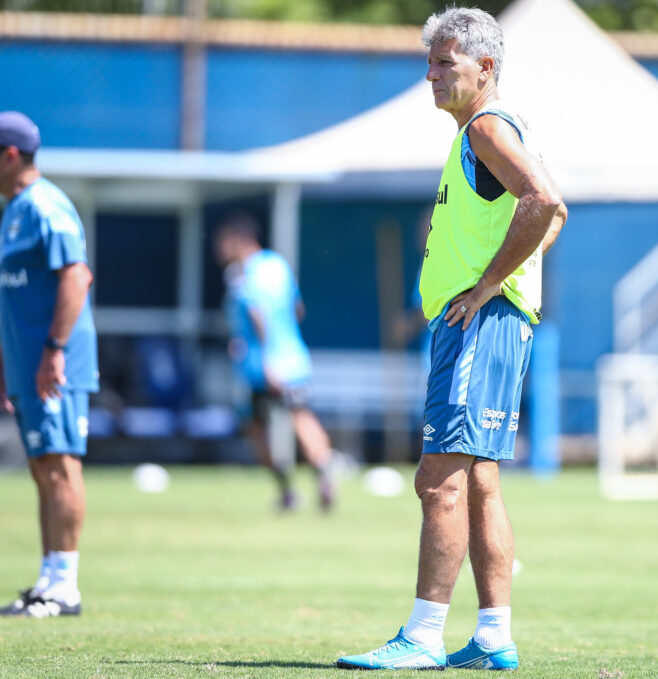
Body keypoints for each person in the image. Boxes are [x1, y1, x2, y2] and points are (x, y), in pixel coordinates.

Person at [338, 7, 566, 671]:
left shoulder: (489, 126)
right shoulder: (483, 129)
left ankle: (422, 635)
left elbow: (545, 202)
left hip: (479, 326)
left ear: (485, 68)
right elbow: (556, 207)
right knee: (479, 483)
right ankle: (493, 634)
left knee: (438, 481)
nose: (432, 75)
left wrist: (490, 284)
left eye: (446, 64)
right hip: (483, 324)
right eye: (430, 63)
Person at [0, 111, 98, 618]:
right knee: (41, 468)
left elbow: (76, 278)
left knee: (59, 464)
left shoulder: (45, 204)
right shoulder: (12, 210)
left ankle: (67, 587)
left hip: (55, 364)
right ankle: (47, 579)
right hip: (27, 364)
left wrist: (54, 351)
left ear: (11, 155)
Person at [214, 211, 335, 511]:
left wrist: (265, 357)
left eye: (224, 242)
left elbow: (257, 317)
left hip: (262, 366)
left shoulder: (242, 274)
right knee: (301, 416)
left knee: (256, 428)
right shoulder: (278, 265)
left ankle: (287, 490)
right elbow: (298, 309)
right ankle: (323, 473)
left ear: (240, 241)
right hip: (294, 359)